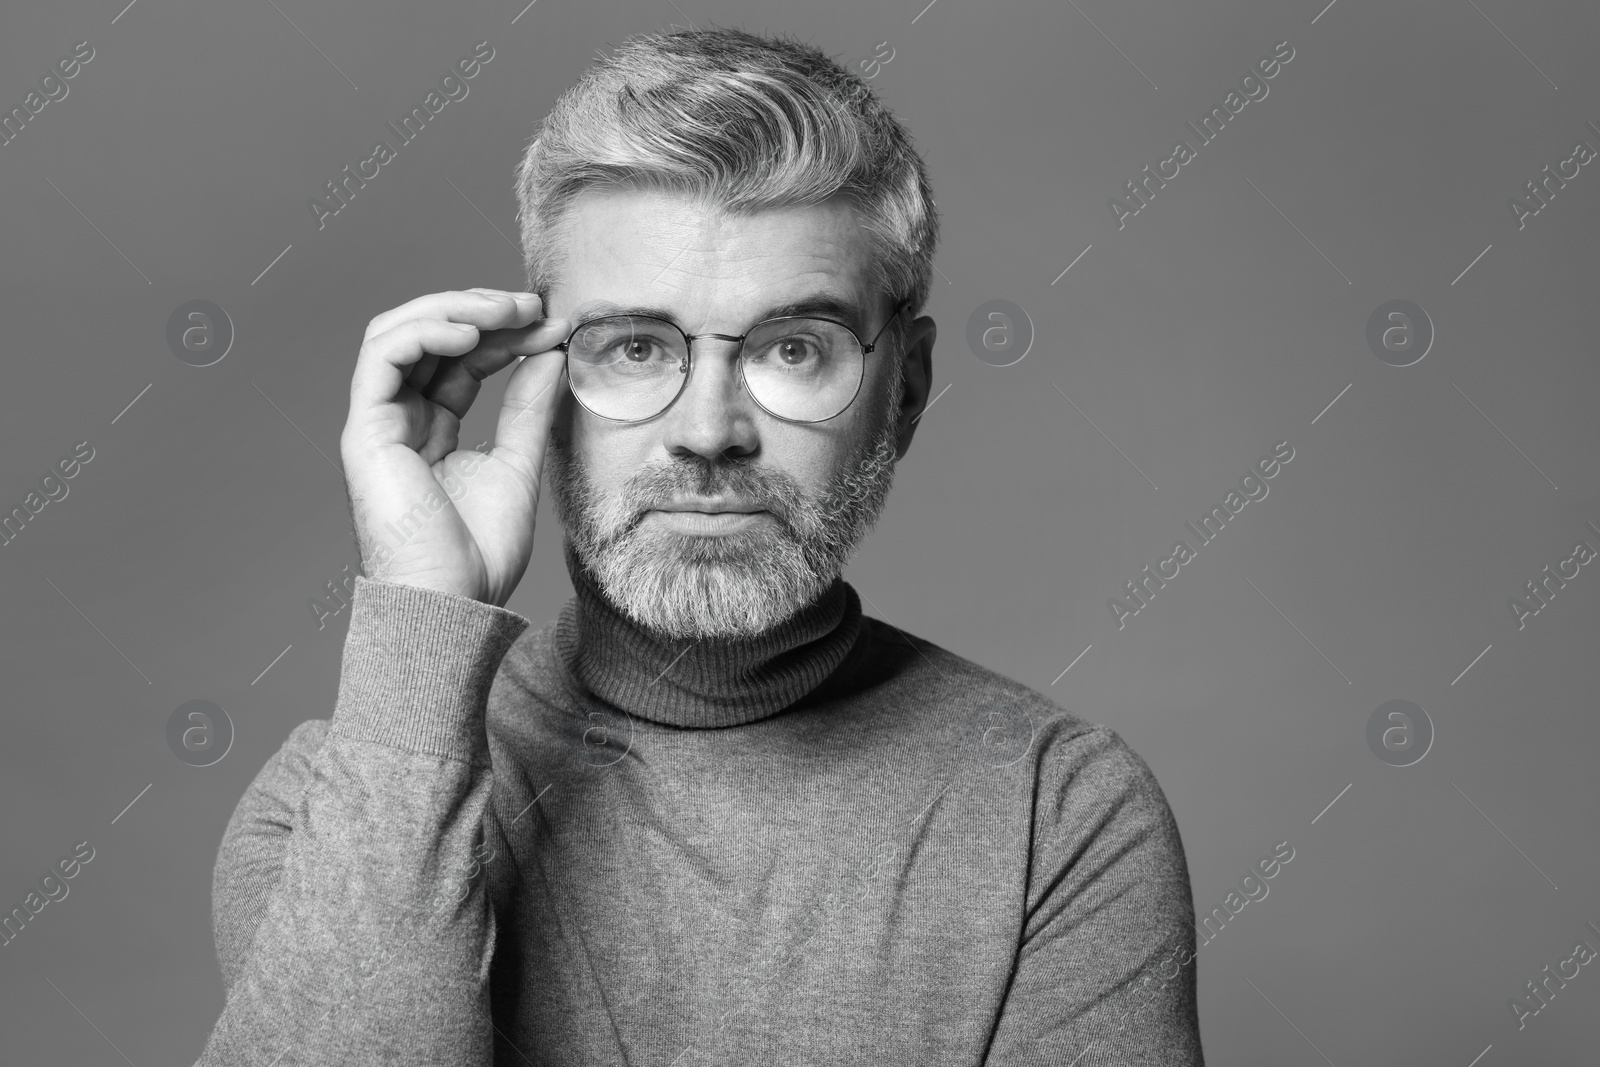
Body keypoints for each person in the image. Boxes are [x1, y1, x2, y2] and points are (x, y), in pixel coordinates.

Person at [197, 25, 1203, 1066]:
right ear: (538, 383)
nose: (709, 431)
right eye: (636, 348)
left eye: (793, 348)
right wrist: (421, 614)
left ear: (902, 389)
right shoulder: (351, 798)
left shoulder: (1058, 810)